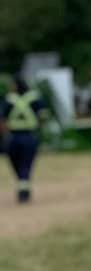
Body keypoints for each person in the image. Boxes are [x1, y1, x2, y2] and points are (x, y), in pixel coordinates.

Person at [1, 73, 45, 205]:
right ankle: (24, 188)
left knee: (17, 164)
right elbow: (43, 116)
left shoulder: (9, 99)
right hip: (29, 136)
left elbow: (2, 120)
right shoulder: (35, 98)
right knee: (26, 164)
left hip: (14, 137)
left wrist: (4, 135)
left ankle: (23, 191)